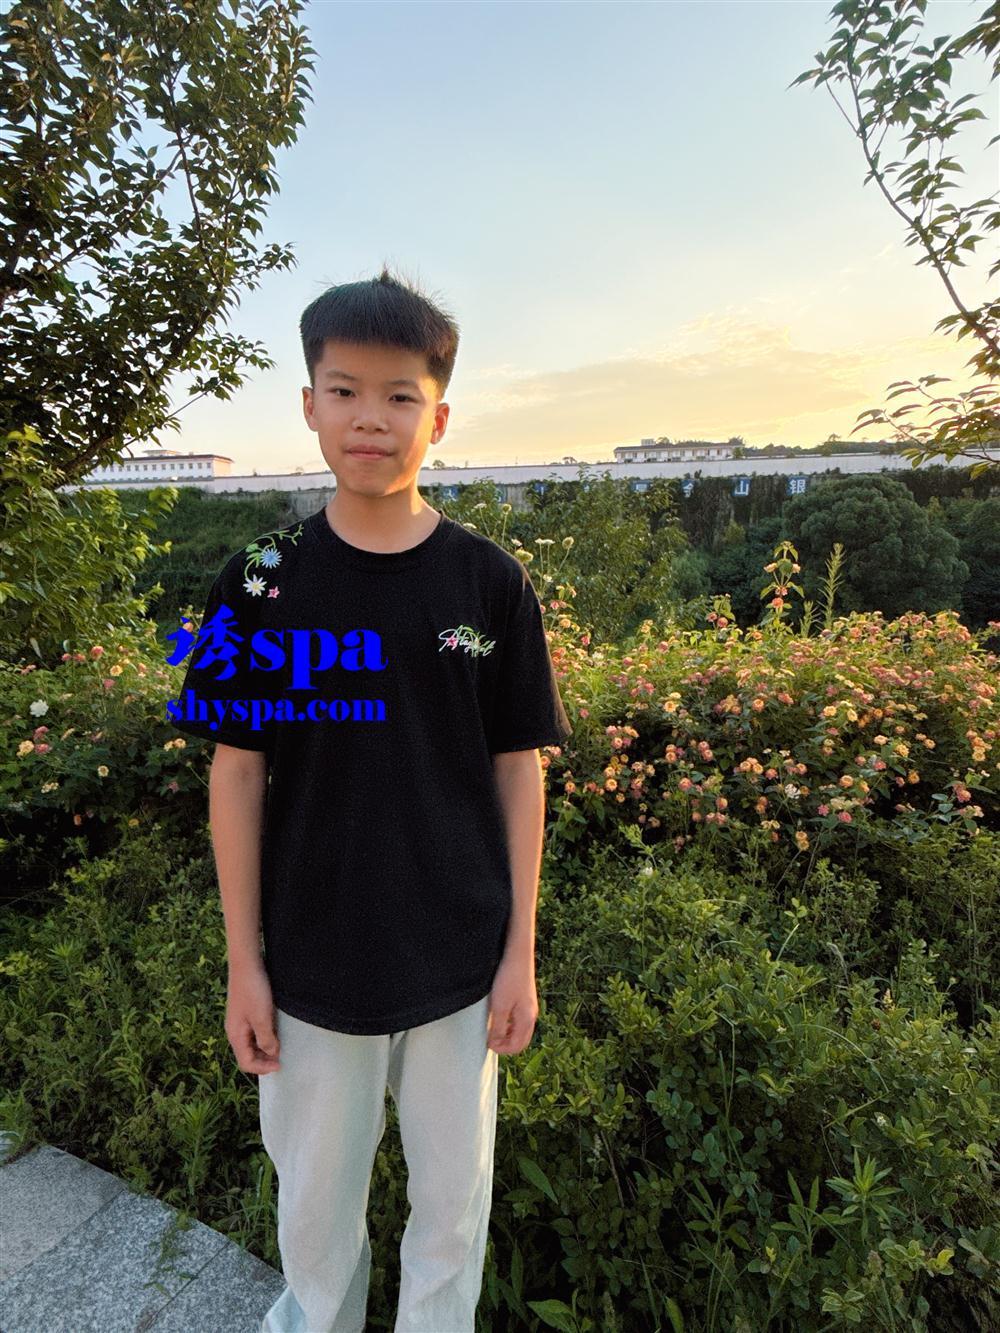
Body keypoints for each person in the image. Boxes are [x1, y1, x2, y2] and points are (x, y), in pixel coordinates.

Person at [169, 265, 573, 1333]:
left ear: (438, 417)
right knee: (314, 1217)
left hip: (459, 962)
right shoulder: (258, 579)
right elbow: (236, 771)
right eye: (344, 390)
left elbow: (518, 768)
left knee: (452, 1213)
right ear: (309, 404)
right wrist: (244, 962)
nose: (369, 418)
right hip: (310, 961)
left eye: (400, 395)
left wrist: (521, 951)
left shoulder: (490, 582)